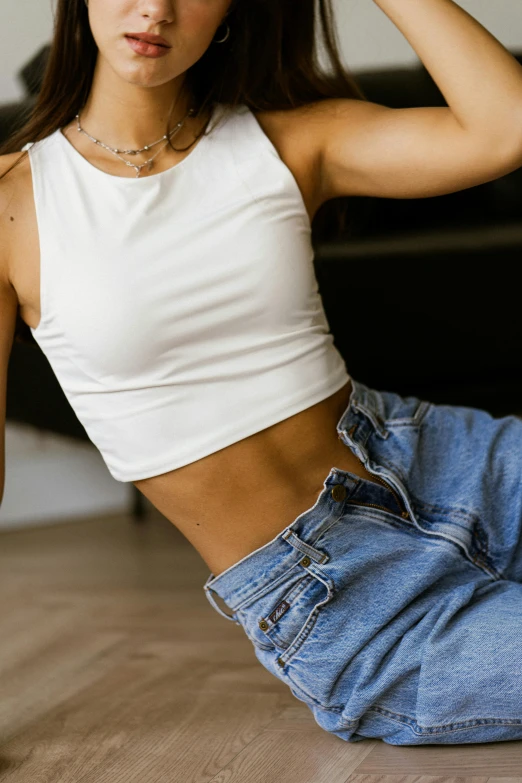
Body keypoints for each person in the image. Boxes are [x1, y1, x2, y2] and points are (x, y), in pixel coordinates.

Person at [1, 0, 522, 747]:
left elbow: (505, 127)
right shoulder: (10, 203)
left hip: (446, 462)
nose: (154, 7)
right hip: (341, 594)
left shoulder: (291, 141)